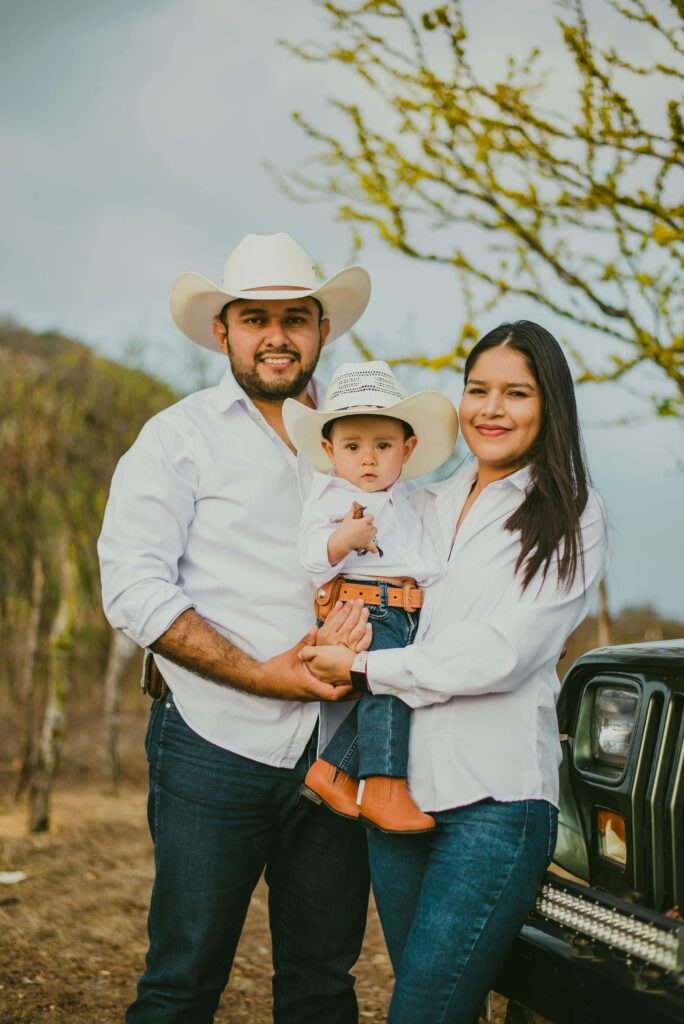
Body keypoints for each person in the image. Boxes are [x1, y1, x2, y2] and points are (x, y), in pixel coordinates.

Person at [97, 232, 375, 1024]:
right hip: (211, 742)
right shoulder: (177, 438)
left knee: (323, 986)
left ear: (323, 328)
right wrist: (264, 673)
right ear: (223, 331)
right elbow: (132, 588)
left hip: (339, 746)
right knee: (183, 980)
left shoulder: (367, 438)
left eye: (296, 318)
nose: (277, 337)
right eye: (256, 318)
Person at [300, 321, 610, 1024]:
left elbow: (506, 652)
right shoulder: (420, 502)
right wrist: (336, 627)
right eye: (478, 390)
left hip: (493, 801)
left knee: (423, 1011)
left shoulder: (569, 512)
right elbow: (370, 597)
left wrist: (369, 666)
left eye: (516, 393)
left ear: (549, 405)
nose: (491, 408)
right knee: (439, 1005)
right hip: (397, 790)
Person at [282, 360, 458, 833]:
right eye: (353, 447)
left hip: (402, 612)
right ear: (329, 450)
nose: (368, 460)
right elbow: (311, 556)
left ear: (407, 449)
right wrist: (345, 537)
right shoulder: (334, 494)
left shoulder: (407, 496)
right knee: (388, 687)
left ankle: (334, 771)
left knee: (393, 686)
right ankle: (381, 785)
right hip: (364, 608)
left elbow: (427, 562)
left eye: (383, 446)